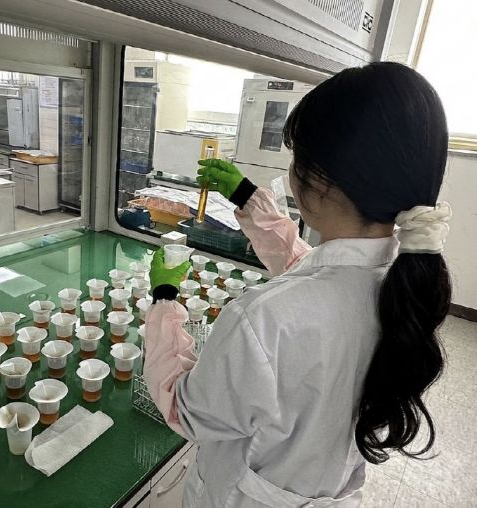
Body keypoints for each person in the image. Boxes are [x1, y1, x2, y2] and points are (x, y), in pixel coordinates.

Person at [144, 61, 452, 507]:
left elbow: (185, 411)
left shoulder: (262, 318)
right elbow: (313, 271)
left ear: (320, 181)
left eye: (297, 158)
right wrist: (247, 197)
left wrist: (164, 299)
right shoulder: (406, 286)